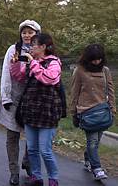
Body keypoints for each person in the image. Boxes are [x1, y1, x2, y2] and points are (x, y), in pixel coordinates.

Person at [10, 33, 63, 186]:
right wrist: (15, 63)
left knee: (45, 150)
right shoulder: (32, 62)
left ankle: (53, 178)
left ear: (43, 47)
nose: (31, 48)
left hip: (47, 112)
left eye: (34, 45)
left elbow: (50, 78)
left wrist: (33, 63)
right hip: (30, 111)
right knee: (32, 148)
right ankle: (36, 176)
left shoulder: (53, 62)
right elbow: (20, 77)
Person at [0, 19, 40, 185]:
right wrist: (5, 96)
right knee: (12, 135)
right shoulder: (13, 50)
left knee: (32, 135)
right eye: (24, 32)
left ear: (36, 34)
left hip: (33, 98)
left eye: (30, 32)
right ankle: (13, 171)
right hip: (14, 95)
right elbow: (6, 72)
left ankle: (28, 160)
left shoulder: (40, 50)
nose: (27, 35)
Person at [70, 44, 116, 180]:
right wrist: (73, 112)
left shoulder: (105, 70)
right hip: (86, 111)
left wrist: (113, 109)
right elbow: (74, 92)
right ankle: (97, 168)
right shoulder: (79, 71)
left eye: (99, 59)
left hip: (103, 111)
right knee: (93, 141)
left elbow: (110, 90)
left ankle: (88, 157)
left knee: (96, 141)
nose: (96, 62)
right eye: (94, 59)